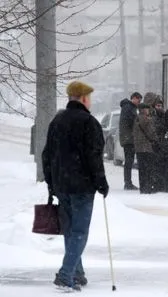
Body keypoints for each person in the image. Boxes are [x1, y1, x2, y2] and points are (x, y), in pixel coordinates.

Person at [42, 81, 109, 292]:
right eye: (89, 97)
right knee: (80, 231)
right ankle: (65, 275)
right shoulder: (89, 123)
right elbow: (94, 157)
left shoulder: (57, 121)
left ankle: (76, 273)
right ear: (83, 98)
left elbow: (47, 155)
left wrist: (51, 182)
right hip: (82, 186)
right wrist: (101, 182)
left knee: (71, 231)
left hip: (62, 185)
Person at [119, 92, 142, 190]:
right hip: (129, 139)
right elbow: (130, 121)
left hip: (128, 138)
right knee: (129, 161)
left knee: (129, 161)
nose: (139, 102)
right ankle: (128, 183)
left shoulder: (128, 107)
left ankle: (128, 182)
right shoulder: (128, 108)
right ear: (133, 98)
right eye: (138, 100)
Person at [133, 102, 157, 194]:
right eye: (147, 109)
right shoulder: (147, 119)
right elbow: (151, 133)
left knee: (142, 169)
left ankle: (142, 187)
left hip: (139, 148)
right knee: (148, 169)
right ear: (144, 110)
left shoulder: (136, 119)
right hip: (147, 148)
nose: (148, 111)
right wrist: (155, 139)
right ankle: (147, 188)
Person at [152, 95, 168, 192]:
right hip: (156, 143)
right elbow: (156, 128)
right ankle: (157, 184)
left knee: (161, 165)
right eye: (157, 106)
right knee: (156, 165)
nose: (159, 107)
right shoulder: (154, 116)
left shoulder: (163, 115)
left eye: (160, 106)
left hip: (161, 143)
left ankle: (160, 184)